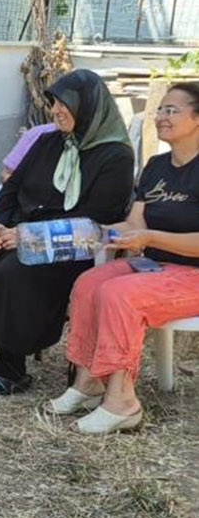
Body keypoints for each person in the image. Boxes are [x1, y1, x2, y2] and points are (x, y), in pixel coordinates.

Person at [0, 69, 135, 395]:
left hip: (68, 244)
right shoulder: (47, 142)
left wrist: (31, 236)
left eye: (63, 104)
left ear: (88, 106)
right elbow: (10, 190)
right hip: (16, 230)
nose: (55, 111)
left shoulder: (116, 156)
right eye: (54, 103)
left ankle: (10, 367)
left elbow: (98, 221)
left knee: (13, 272)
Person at [51, 82, 199, 433]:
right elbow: (136, 223)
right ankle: (89, 382)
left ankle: (122, 403)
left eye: (172, 110)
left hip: (192, 273)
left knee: (119, 294)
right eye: (160, 110)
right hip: (156, 265)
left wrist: (149, 238)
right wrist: (99, 232)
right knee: (88, 283)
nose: (161, 117)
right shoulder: (156, 166)